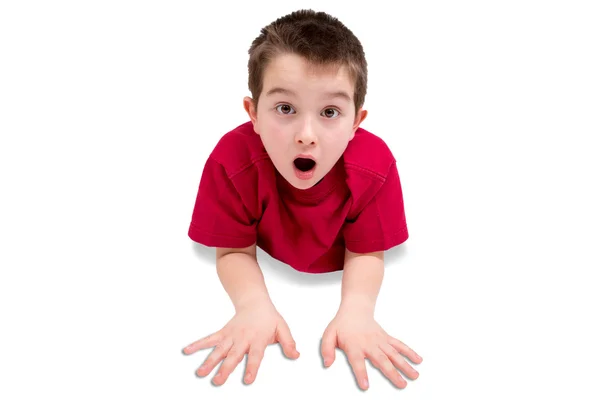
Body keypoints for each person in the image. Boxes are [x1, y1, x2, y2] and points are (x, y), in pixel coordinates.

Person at [182, 9, 423, 391]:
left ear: (356, 123)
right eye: (285, 109)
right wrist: (252, 306)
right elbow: (233, 252)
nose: (306, 135)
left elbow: (365, 253)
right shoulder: (232, 161)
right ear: (253, 114)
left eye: (330, 112)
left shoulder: (374, 167)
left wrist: (357, 312)